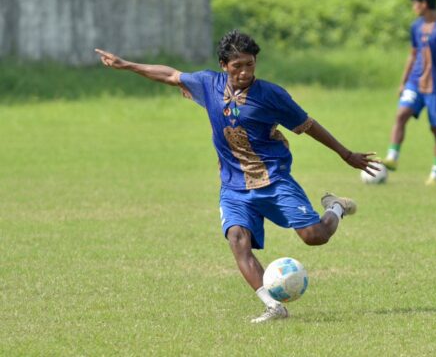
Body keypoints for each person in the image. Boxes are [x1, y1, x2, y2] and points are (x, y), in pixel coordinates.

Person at [95, 30, 377, 324]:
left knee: (314, 237)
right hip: (233, 186)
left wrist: (346, 154)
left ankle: (335, 207)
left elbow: (308, 125)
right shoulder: (208, 84)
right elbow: (171, 75)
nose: (244, 72)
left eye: (250, 64)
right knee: (237, 239)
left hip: (273, 179)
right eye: (237, 66)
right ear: (223, 65)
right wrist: (126, 64)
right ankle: (273, 306)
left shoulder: (272, 95)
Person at [382, 0, 436, 185]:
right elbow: (413, 54)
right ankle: (392, 156)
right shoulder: (415, 26)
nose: (413, 7)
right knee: (401, 114)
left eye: (415, 3)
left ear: (424, 4)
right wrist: (403, 81)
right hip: (415, 83)